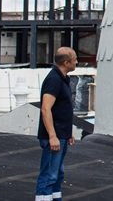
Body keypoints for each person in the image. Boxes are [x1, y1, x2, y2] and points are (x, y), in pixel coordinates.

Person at [35, 47, 77, 201]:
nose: (77, 62)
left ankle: (55, 198)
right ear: (66, 62)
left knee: (57, 174)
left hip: (61, 135)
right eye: (75, 60)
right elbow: (46, 109)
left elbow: (61, 110)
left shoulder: (62, 79)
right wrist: (52, 136)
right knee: (49, 174)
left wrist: (67, 132)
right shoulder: (54, 80)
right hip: (55, 137)